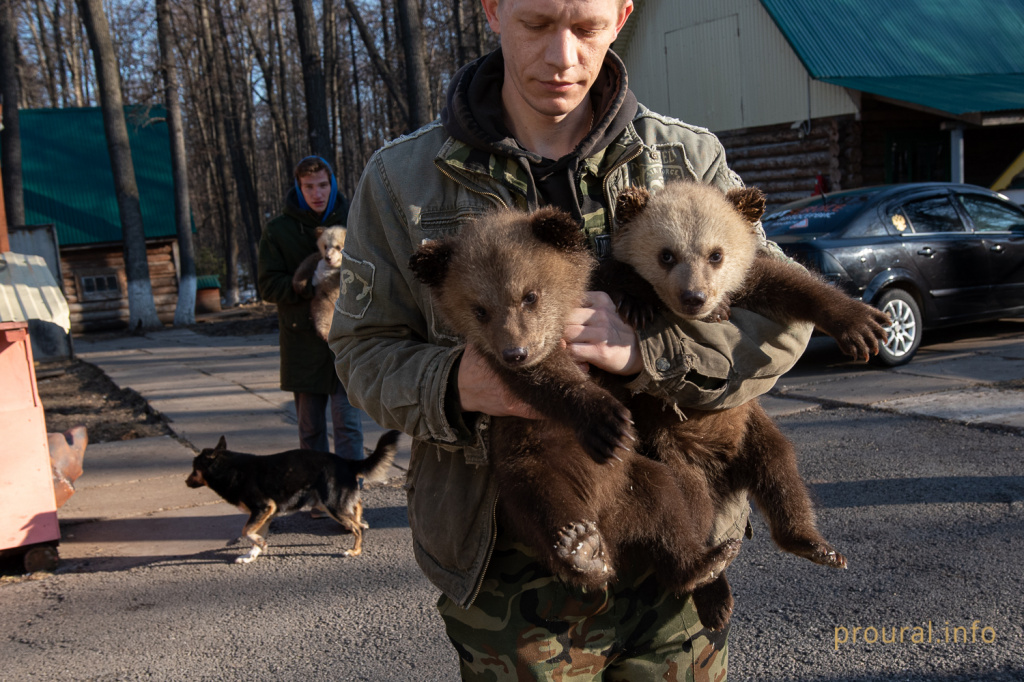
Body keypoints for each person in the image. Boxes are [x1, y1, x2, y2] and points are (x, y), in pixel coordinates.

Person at [329, 0, 813, 678]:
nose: (562, 56)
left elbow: (779, 319)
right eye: (535, 25)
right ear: (493, 11)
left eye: (586, 28)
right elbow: (362, 351)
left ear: (621, 16)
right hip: (507, 578)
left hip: (676, 551)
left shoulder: (687, 158)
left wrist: (657, 354)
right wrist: (452, 386)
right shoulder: (400, 180)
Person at [258, 155, 364, 462]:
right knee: (310, 428)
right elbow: (267, 286)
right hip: (302, 339)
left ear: (332, 184)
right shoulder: (280, 230)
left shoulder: (355, 218)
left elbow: (379, 270)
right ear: (298, 187)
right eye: (308, 187)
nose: (316, 193)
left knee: (349, 425)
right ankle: (318, 495)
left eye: (322, 185)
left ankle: (348, 496)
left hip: (347, 336)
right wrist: (305, 284)